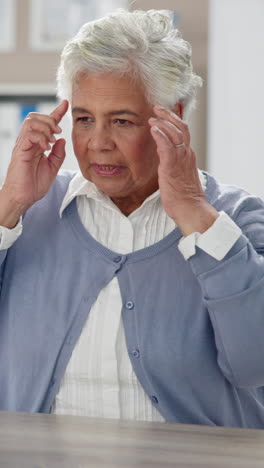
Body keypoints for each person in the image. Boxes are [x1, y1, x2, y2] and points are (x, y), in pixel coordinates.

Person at [1, 9, 264, 428]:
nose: (99, 143)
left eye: (122, 121)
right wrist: (8, 206)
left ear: (172, 115)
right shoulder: (29, 212)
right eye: (84, 120)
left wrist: (197, 216)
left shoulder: (238, 220)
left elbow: (256, 363)